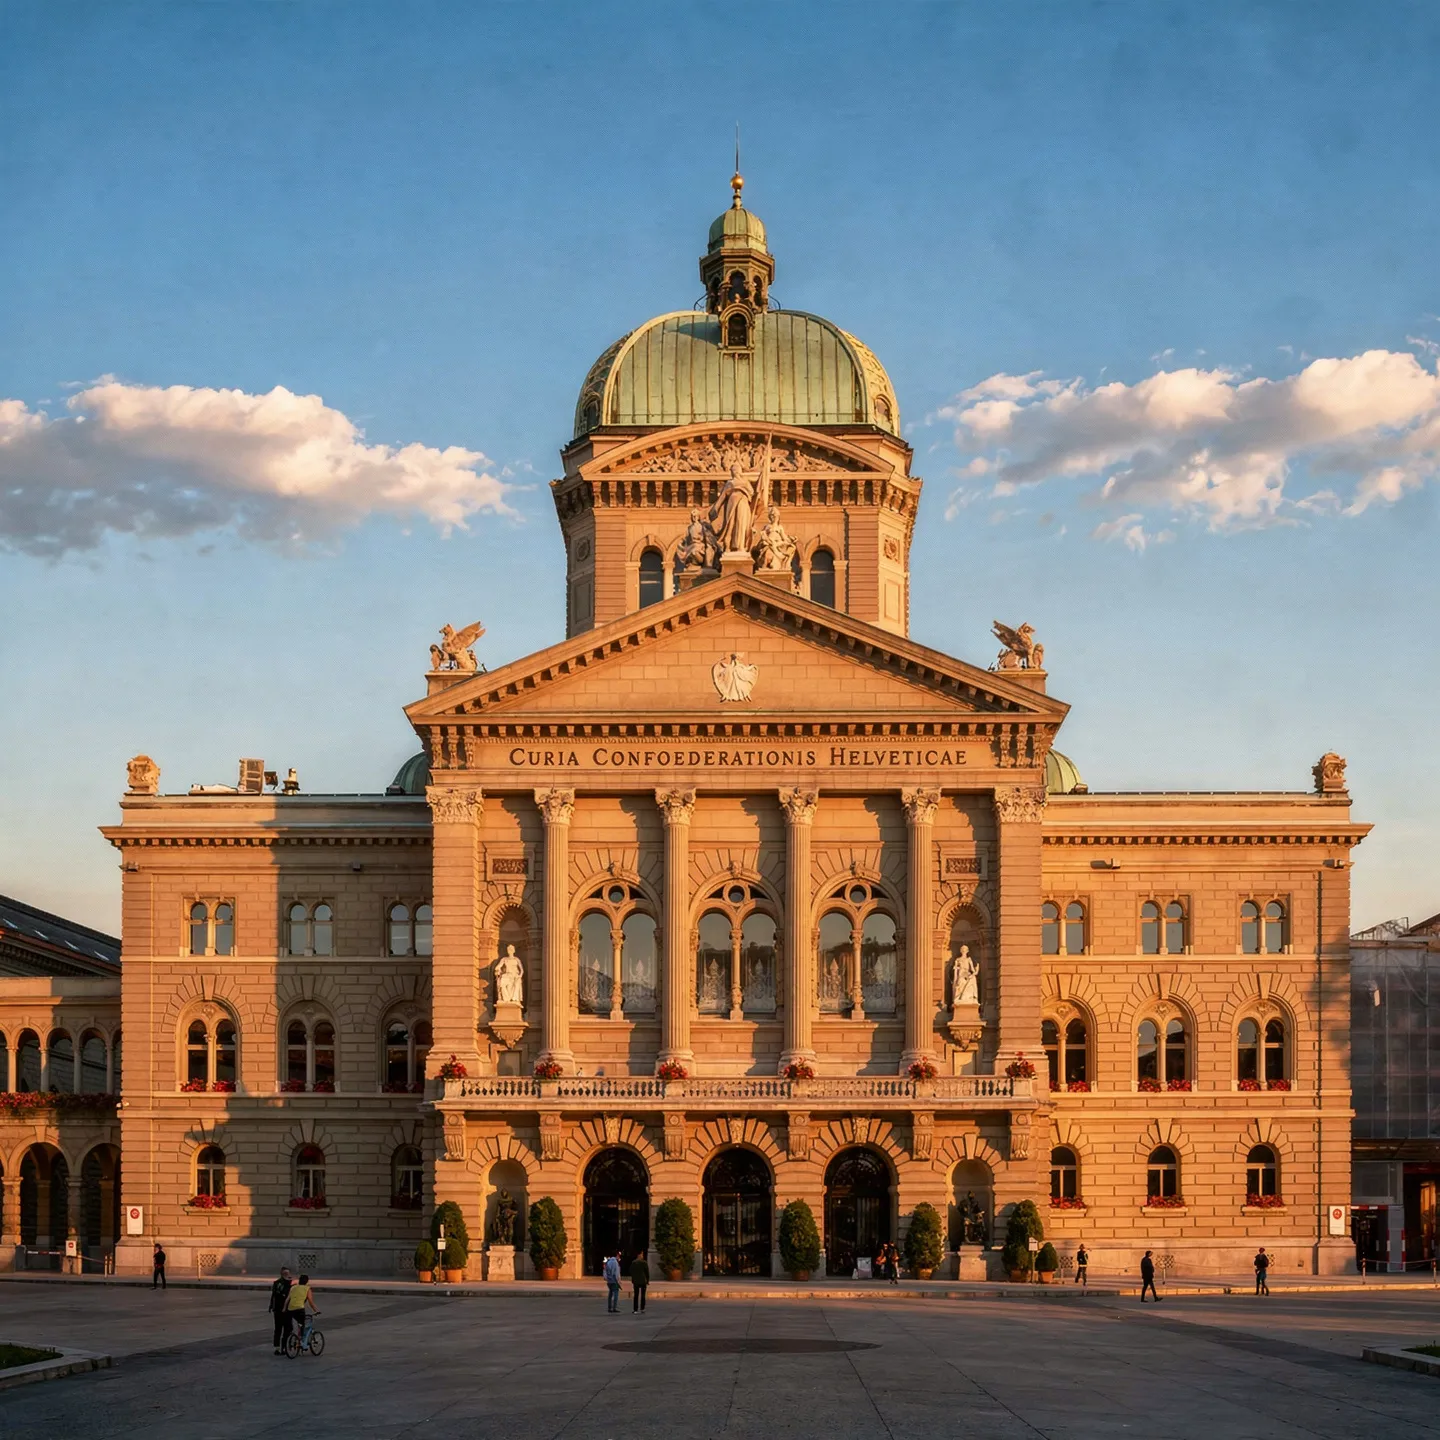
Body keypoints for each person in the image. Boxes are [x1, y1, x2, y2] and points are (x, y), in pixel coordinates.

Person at [284, 1272, 321, 1347]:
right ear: (307, 1281)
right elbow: (311, 1302)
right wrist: (316, 1310)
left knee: (296, 1324)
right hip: (299, 1309)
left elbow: (287, 1299)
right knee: (302, 1324)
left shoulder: (293, 1287)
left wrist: (284, 1308)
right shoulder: (307, 1288)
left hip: (290, 1309)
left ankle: (294, 1339)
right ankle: (301, 1341)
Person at [268, 1266, 293, 1354]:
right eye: (285, 1273)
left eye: (287, 1273)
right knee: (285, 1328)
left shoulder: (279, 1283)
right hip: (282, 1309)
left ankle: (279, 1348)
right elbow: (274, 1295)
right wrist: (271, 1305)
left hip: (283, 1309)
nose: (287, 1275)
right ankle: (281, 1347)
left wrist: (271, 1306)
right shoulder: (285, 1283)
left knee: (280, 1329)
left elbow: (273, 1296)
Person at [603, 1249, 622, 1314]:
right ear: (617, 1255)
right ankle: (614, 1307)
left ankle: (609, 1307)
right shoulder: (615, 1263)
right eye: (619, 1256)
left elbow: (605, 1270)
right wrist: (618, 1281)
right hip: (614, 1281)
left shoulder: (608, 1262)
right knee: (615, 1294)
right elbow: (616, 1273)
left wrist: (606, 1278)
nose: (619, 1257)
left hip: (609, 1281)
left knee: (610, 1294)